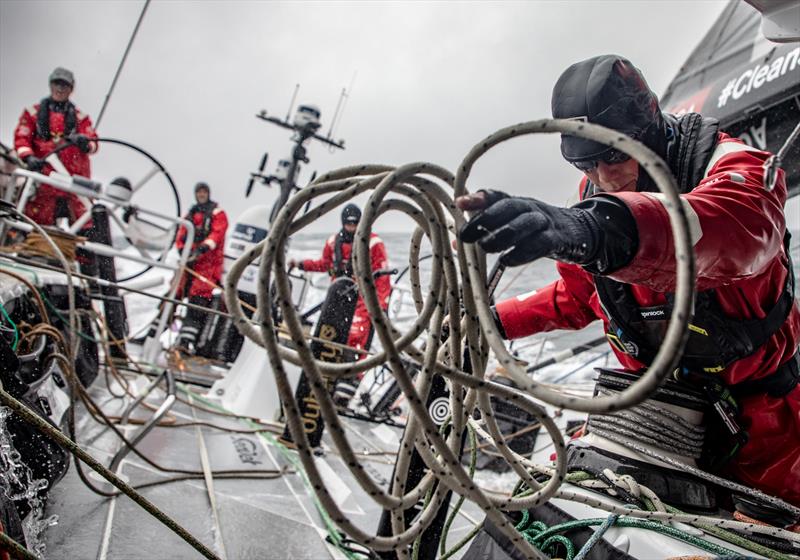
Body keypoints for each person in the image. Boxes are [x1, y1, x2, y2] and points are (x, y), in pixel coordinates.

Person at [458, 55, 800, 508]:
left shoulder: (739, 169)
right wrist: (492, 321)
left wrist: (596, 231)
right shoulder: (599, 199)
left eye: (614, 158)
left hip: (765, 438)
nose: (602, 179)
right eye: (586, 166)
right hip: (647, 421)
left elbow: (734, 233)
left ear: (652, 130)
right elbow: (579, 297)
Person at [289, 203, 392, 406]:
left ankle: (346, 389)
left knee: (356, 339)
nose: (352, 228)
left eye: (355, 224)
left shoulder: (373, 244)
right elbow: (325, 264)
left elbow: (383, 277)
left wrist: (377, 306)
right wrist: (301, 264)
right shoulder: (332, 242)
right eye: (349, 224)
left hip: (364, 301)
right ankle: (326, 380)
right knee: (330, 337)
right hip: (338, 300)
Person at [13, 67, 98, 225]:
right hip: (43, 182)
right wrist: (29, 157)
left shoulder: (81, 118)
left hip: (74, 183)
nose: (60, 89)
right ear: (50, 85)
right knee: (35, 225)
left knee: (86, 223)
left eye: (64, 85)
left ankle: (86, 247)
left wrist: (85, 143)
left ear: (71, 89)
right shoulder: (32, 114)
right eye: (56, 84)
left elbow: (94, 142)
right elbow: (21, 138)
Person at [173, 182, 228, 354]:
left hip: (207, 269)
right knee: (171, 298)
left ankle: (187, 342)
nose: (202, 194)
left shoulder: (217, 214)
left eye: (204, 192)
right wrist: (183, 250)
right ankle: (152, 334)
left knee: (197, 305)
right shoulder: (190, 214)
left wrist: (203, 248)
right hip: (189, 266)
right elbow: (181, 234)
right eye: (199, 192)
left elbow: (217, 234)